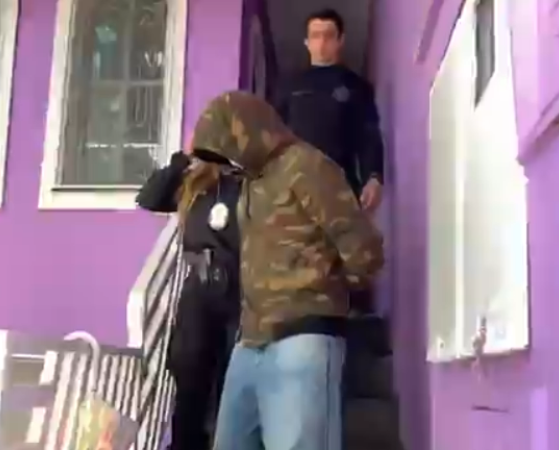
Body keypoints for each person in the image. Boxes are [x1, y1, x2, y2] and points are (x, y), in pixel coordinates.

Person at [190, 91, 385, 450]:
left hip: (303, 339)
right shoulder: (250, 183)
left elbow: (363, 248)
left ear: (250, 130)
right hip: (250, 342)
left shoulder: (307, 165)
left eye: (228, 149)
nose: (228, 164)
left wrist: (325, 289)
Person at [135, 143, 241, 450]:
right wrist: (183, 160)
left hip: (238, 292)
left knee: (230, 382)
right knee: (190, 376)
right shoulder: (193, 184)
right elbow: (149, 197)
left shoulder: (245, 184)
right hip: (199, 292)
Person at [274, 8, 384, 214]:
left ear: (340, 40)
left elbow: (369, 136)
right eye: (315, 36)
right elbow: (272, 134)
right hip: (293, 188)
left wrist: (374, 177)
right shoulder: (288, 86)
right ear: (306, 42)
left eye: (328, 36)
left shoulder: (357, 87)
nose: (322, 43)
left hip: (341, 186)